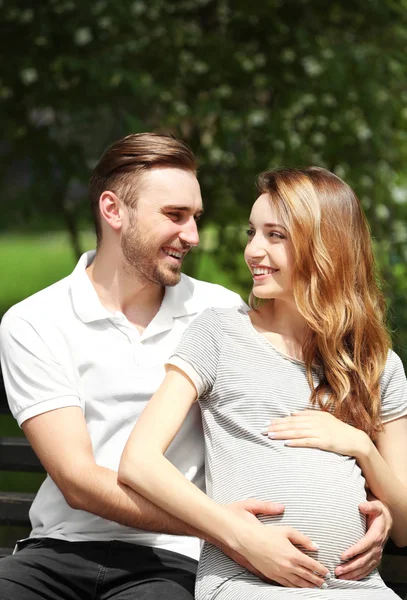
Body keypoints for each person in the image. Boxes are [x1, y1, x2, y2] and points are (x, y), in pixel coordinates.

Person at [0, 135, 390, 599]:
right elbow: (79, 481)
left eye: (195, 217)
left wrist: (368, 507)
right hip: (57, 550)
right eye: (175, 215)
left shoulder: (220, 313)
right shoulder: (35, 321)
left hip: (172, 560)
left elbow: (295, 423)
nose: (193, 236)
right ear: (113, 211)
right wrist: (228, 528)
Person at [118, 166, 407, 599]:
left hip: (358, 588)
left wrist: (361, 447)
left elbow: (403, 527)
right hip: (247, 582)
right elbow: (138, 461)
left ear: (326, 246)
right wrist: (238, 533)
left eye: (276, 236)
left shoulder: (377, 364)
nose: (254, 249)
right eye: (252, 232)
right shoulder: (218, 333)